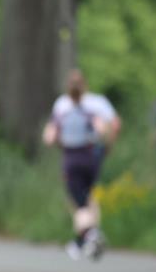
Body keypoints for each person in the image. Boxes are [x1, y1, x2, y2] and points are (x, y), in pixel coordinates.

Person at [43, 69, 121, 261]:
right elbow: (109, 127)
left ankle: (90, 233)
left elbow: (50, 137)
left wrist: (61, 143)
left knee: (78, 203)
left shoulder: (62, 106)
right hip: (92, 156)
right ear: (84, 85)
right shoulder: (96, 104)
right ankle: (82, 242)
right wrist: (106, 147)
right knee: (88, 197)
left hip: (72, 156)